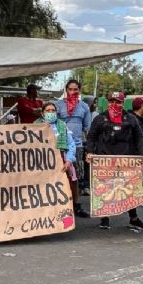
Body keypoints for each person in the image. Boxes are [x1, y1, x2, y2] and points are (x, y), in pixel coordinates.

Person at [85, 90, 143, 232]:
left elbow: (139, 137)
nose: (114, 104)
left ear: (123, 102)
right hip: (104, 160)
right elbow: (91, 137)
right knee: (105, 188)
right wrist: (89, 152)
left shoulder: (131, 119)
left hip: (126, 161)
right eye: (112, 101)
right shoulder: (100, 119)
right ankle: (104, 217)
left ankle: (134, 219)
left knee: (129, 190)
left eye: (118, 102)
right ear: (108, 102)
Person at [55, 80, 91, 217]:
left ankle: (76, 205)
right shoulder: (58, 106)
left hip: (77, 146)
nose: (73, 92)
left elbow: (87, 129)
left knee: (75, 178)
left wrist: (90, 148)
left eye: (76, 89)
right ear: (66, 90)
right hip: (60, 146)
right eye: (70, 89)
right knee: (60, 176)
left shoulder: (84, 107)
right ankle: (60, 205)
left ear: (79, 91)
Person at [36, 102, 76, 198]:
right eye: (48, 110)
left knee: (67, 185)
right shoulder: (35, 126)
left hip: (62, 160)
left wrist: (69, 160)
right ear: (42, 113)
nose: (51, 112)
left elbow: (71, 144)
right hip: (43, 162)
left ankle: (73, 207)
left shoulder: (62, 125)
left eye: (53, 110)